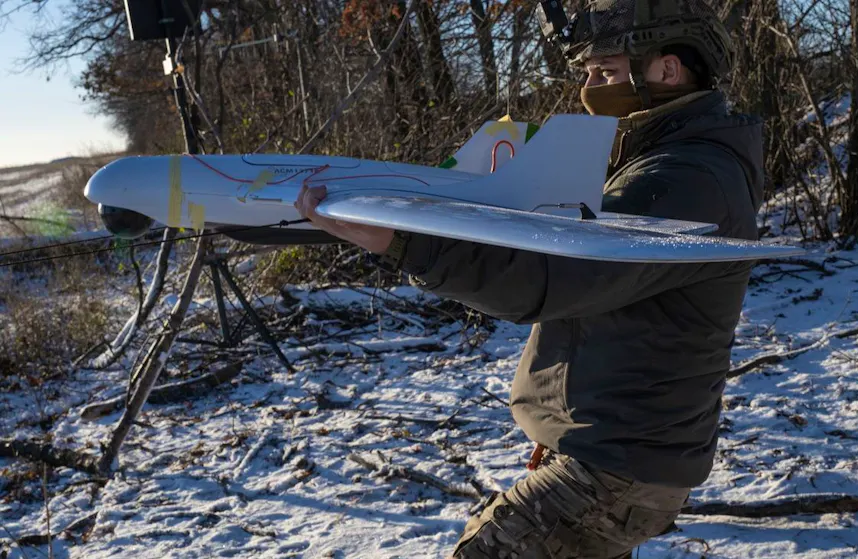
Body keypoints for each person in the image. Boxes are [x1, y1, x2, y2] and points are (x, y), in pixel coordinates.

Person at [295, 0, 763, 556]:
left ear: (667, 69)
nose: (589, 89)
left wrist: (404, 242)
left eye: (605, 72)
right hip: (610, 454)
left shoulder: (687, 178)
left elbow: (549, 274)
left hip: (617, 466)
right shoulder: (653, 160)